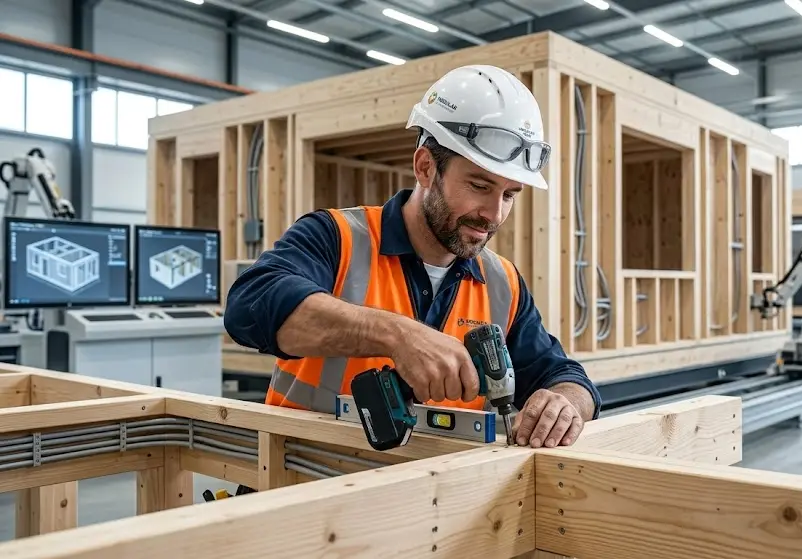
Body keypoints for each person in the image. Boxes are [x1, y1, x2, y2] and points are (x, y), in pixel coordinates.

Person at [223, 64, 601, 449]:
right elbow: (248, 305)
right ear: (425, 167)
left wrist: (565, 404)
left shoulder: (502, 282)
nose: (494, 214)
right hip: (305, 486)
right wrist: (396, 335)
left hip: (435, 501)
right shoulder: (337, 238)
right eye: (478, 185)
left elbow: (565, 375)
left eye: (509, 195)